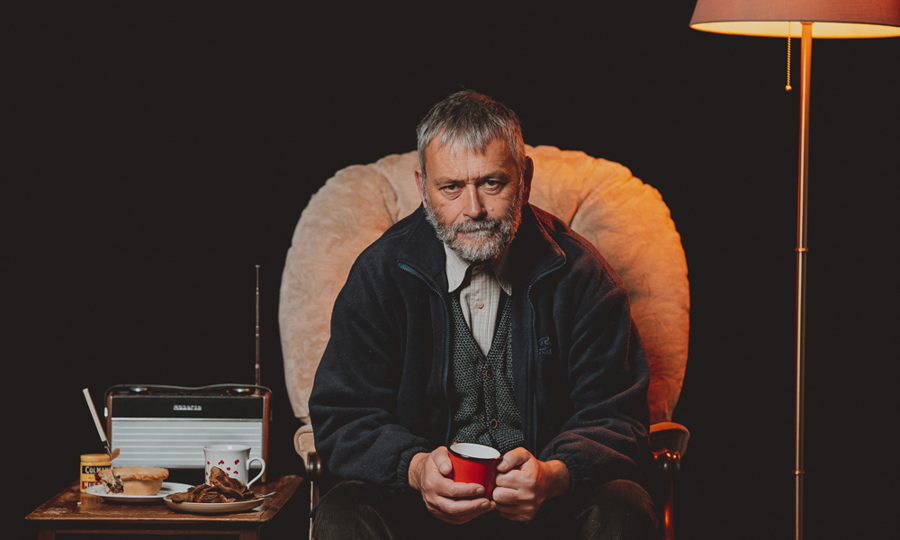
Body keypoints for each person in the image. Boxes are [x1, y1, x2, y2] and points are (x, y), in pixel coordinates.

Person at [308, 90, 658, 539]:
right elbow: (343, 415)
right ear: (423, 188)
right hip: (421, 511)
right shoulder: (380, 275)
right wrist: (415, 470)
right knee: (343, 510)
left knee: (625, 505)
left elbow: (619, 415)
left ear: (524, 178)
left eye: (492, 183)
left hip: (548, 511)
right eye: (450, 187)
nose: (472, 209)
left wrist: (554, 475)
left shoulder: (583, 276)